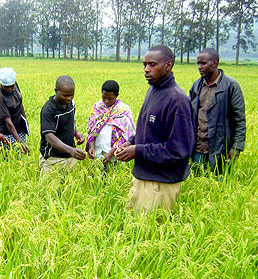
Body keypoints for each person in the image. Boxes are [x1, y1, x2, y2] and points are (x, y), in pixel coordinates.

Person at [115, 45, 195, 213]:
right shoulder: (153, 90)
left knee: (151, 234)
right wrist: (130, 143)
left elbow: (178, 150)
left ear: (168, 65)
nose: (146, 69)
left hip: (160, 183)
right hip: (143, 176)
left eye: (152, 64)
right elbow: (149, 131)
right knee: (134, 229)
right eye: (144, 64)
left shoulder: (177, 101)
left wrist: (138, 151)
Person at [190, 48, 246, 174]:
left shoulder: (231, 86)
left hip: (220, 148)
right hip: (198, 147)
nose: (199, 67)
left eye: (203, 63)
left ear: (214, 63)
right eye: (198, 63)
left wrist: (236, 148)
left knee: (218, 184)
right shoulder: (197, 85)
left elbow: (240, 120)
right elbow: (189, 115)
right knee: (197, 183)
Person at [39, 75, 86, 175]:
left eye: (71, 95)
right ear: (56, 91)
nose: (69, 98)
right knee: (48, 189)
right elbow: (49, 136)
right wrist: (71, 150)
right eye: (65, 95)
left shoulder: (71, 103)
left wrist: (76, 133)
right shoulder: (48, 109)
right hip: (52, 159)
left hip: (70, 157)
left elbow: (70, 122)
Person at [86, 80, 136, 165]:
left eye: (110, 98)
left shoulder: (122, 110)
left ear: (116, 96)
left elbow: (126, 135)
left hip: (115, 154)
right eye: (104, 97)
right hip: (97, 152)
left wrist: (111, 153)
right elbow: (93, 131)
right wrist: (92, 147)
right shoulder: (97, 108)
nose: (106, 101)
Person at [0, 67, 29, 153]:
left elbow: (20, 103)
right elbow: (8, 122)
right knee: (7, 157)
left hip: (18, 127)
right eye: (6, 87)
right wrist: (19, 142)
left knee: (22, 156)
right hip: (6, 132)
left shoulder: (15, 85)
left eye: (11, 86)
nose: (9, 89)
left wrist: (25, 121)